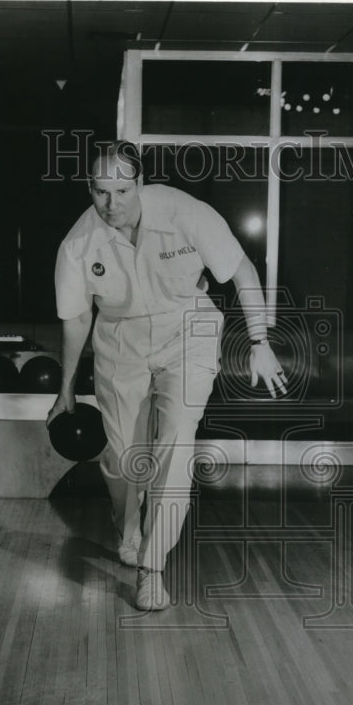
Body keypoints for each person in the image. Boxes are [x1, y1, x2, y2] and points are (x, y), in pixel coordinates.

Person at [47, 141, 287, 611]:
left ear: (139, 183)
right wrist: (65, 391)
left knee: (174, 447)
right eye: (101, 192)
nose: (112, 204)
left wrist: (260, 341)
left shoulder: (185, 213)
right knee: (121, 457)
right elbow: (76, 319)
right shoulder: (78, 243)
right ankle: (127, 524)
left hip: (187, 332)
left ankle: (151, 569)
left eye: (121, 189)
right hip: (120, 340)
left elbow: (242, 272)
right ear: (89, 189)